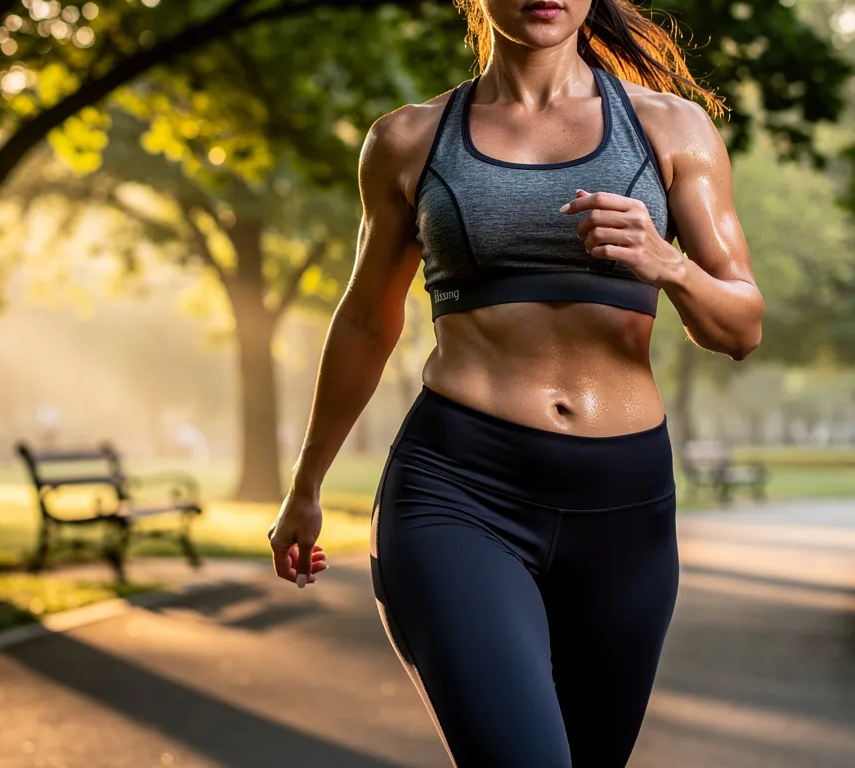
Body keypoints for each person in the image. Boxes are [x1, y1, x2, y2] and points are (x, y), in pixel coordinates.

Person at [266, 1, 763, 766]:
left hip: (624, 507)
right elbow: (367, 319)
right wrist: (306, 485)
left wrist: (668, 264)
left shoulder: (673, 129)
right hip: (460, 489)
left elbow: (740, 327)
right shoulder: (408, 140)